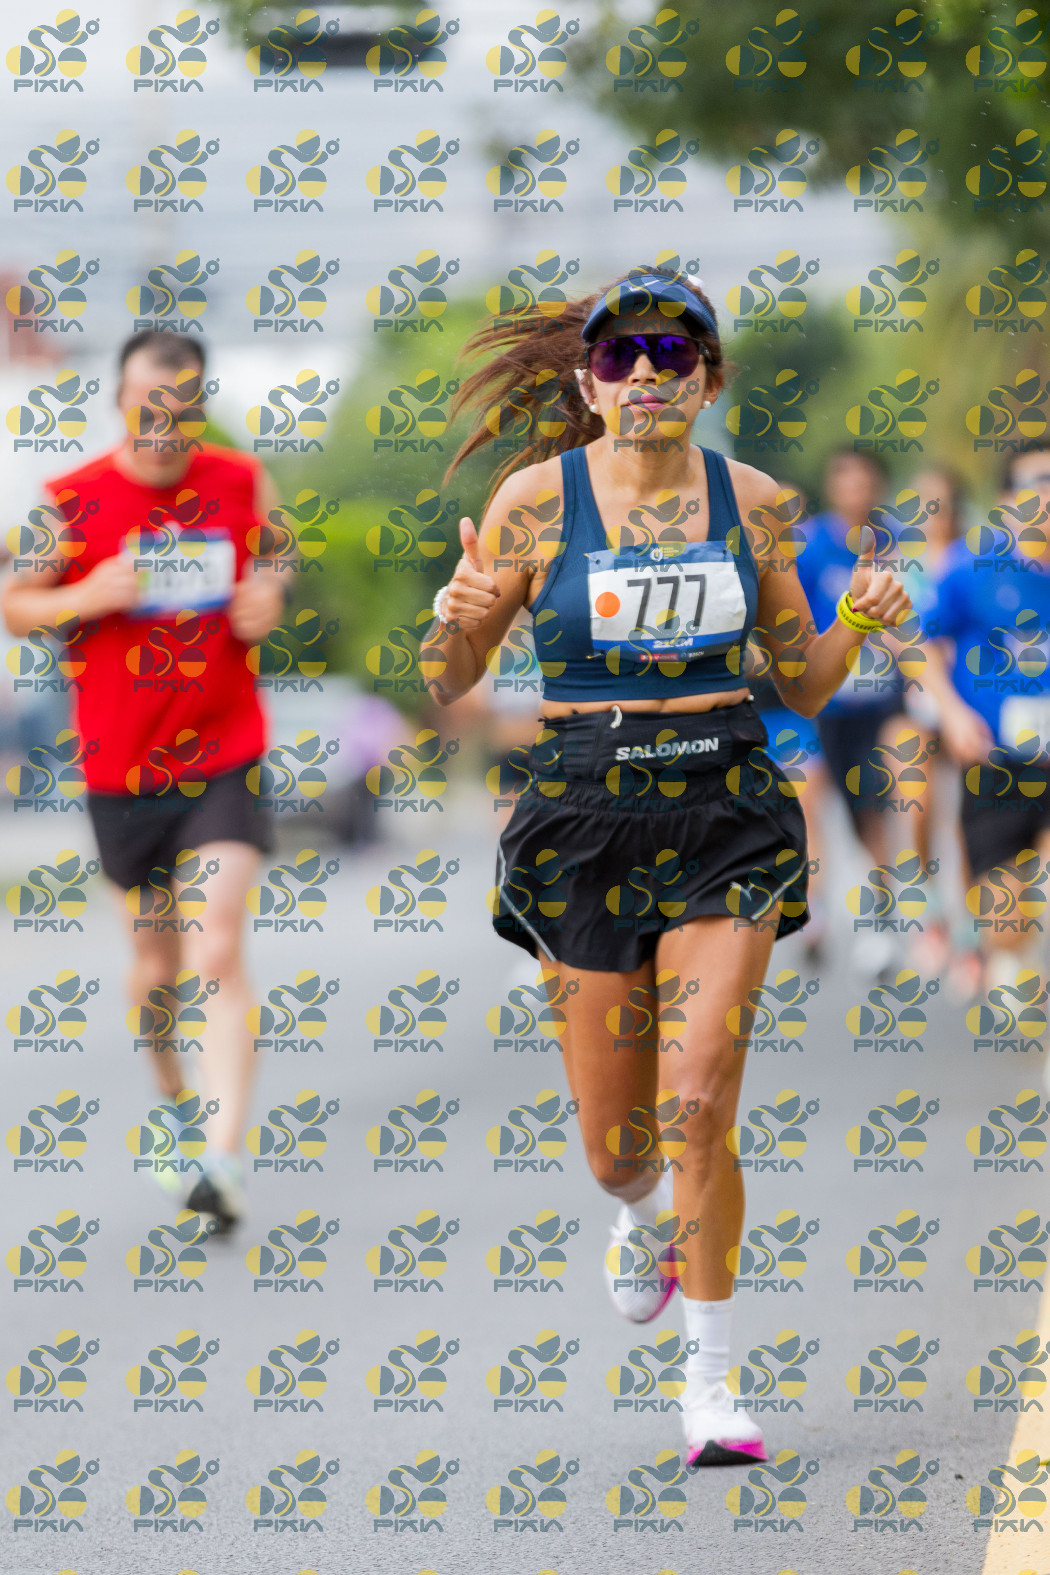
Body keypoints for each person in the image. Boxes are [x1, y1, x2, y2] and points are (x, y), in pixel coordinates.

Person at [423, 265, 911, 1467]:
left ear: (708, 379)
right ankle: (639, 1217)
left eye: (674, 351)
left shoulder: (754, 502)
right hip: (585, 814)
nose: (646, 371)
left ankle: (712, 1386)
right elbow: (448, 680)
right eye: (620, 354)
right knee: (617, 1150)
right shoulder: (535, 502)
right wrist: (456, 614)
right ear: (590, 386)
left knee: (700, 1095)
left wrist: (857, 621)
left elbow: (801, 682)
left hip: (722, 805)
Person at [1, 330, 286, 1230]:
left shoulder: (241, 479)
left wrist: (269, 593)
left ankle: (222, 1159)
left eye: (181, 408)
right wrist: (85, 597)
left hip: (222, 751)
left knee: (216, 948)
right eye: (145, 407)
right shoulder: (68, 499)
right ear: (120, 404)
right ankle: (175, 1102)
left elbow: (275, 557)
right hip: (122, 769)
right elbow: (15, 603)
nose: (163, 425)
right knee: (157, 969)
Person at [919, 441, 1050, 997]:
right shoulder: (971, 567)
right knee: (1005, 921)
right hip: (996, 763)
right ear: (1007, 500)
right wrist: (950, 713)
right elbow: (919, 643)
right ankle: (1007, 958)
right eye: (1037, 483)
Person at [795, 448, 905, 977]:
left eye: (865, 481)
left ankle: (881, 916)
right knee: (808, 801)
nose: (857, 490)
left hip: (877, 702)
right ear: (833, 486)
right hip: (820, 702)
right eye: (847, 480)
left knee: (872, 810)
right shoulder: (810, 544)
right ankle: (814, 911)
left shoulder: (895, 543)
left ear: (877, 486)